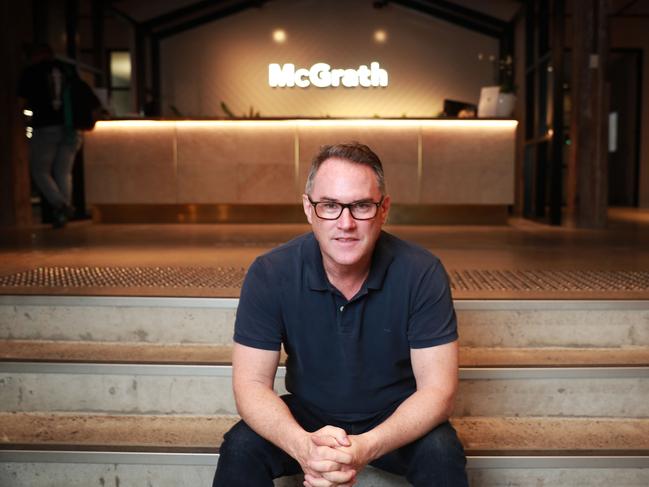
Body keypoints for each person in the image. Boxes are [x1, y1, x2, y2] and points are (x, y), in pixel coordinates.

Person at [213, 142, 468, 487]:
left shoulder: (421, 272)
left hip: (394, 415)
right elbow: (251, 385)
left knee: (441, 450)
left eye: (361, 205)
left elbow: (438, 392)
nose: (345, 223)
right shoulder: (271, 272)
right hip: (308, 415)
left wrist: (364, 447)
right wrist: (304, 447)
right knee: (241, 445)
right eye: (330, 205)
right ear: (308, 208)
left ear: (384, 209)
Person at [18, 44, 91, 228]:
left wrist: (24, 121)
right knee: (63, 172)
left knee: (40, 170)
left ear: (37, 55)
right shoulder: (67, 70)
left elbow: (22, 101)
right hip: (70, 126)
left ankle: (61, 205)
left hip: (45, 126)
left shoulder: (31, 72)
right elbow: (83, 93)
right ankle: (63, 213)